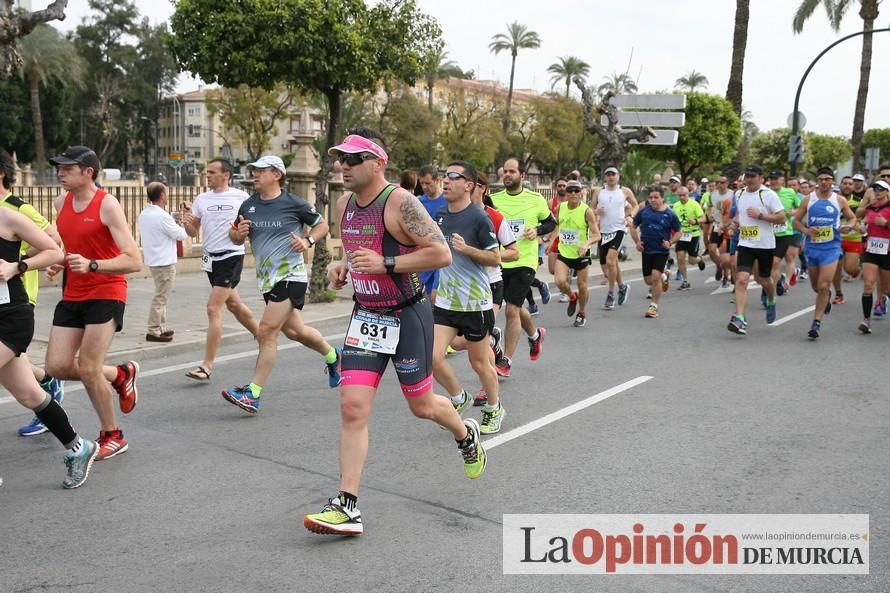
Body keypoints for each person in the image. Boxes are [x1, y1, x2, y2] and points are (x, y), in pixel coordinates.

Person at [304, 129, 485, 536]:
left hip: (407, 317)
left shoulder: (401, 203)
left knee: (421, 406)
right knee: (352, 408)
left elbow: (439, 253)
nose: (342, 166)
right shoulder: (344, 202)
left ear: (377, 162)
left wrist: (385, 264)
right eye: (340, 159)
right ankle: (347, 505)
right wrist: (345, 267)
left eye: (352, 160)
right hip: (367, 317)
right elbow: (352, 248)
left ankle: (464, 430)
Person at [221, 154, 341, 413]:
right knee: (295, 332)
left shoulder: (294, 203)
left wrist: (308, 241)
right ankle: (334, 356)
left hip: (291, 276)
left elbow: (321, 226)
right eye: (254, 170)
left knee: (266, 332)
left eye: (260, 171)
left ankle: (253, 393)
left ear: (276, 174)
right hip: (267, 281)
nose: (254, 174)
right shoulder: (249, 205)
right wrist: (237, 234)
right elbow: (233, 235)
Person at [45, 146, 143, 460]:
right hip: (74, 293)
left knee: (88, 367)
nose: (60, 174)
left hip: (106, 290)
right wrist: (59, 262)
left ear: (88, 172)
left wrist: (93, 265)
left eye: (67, 169)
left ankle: (113, 435)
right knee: (56, 366)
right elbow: (73, 246)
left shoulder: (108, 205)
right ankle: (119, 374)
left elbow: (134, 259)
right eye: (59, 168)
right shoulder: (61, 202)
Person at [0, 206, 98, 488]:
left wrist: (17, 266)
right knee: (30, 394)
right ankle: (79, 448)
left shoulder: (8, 217)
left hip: (10, 318)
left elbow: (54, 250)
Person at [431, 160, 505, 434]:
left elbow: (495, 258)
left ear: (469, 185)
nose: (446, 181)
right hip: (448, 301)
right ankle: (459, 397)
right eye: (444, 175)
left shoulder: (478, 217)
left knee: (479, 362)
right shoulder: (440, 215)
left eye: (453, 176)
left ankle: (495, 408)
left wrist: (467, 249)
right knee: (432, 357)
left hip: (475, 304)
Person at [1, 147, 66, 438]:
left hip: (18, 293)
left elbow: (54, 241)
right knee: (24, 381)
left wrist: (18, 262)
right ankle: (75, 443)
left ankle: (47, 388)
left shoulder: (17, 208)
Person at [181, 158, 259, 381]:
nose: (208, 175)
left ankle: (207, 366)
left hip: (231, 256)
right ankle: (262, 335)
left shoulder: (241, 197)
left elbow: (252, 222)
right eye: (207, 172)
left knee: (213, 309)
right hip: (210, 258)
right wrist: (186, 220)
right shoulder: (202, 199)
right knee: (234, 305)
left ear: (226, 175)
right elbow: (192, 232)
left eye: (213, 172)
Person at [490, 158, 555, 377]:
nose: (507, 175)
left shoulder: (536, 199)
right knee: (515, 308)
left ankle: (506, 361)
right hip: (501, 260)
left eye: (512, 171)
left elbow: (551, 223)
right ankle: (535, 336)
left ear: (522, 176)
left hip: (525, 261)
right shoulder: (493, 199)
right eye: (504, 171)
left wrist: (537, 230)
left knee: (511, 310)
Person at [792, 166, 858, 339]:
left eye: (827, 179)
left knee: (823, 285)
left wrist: (849, 226)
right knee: (816, 286)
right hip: (813, 247)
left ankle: (816, 322)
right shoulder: (808, 199)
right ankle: (826, 297)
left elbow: (852, 217)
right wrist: (806, 232)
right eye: (821, 179)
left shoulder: (840, 200)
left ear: (832, 181)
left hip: (832, 247)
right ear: (817, 182)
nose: (824, 182)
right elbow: (795, 222)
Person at [726, 165, 786, 335]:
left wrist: (761, 216)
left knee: (764, 280)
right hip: (745, 244)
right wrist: (734, 224)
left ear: (761, 178)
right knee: (742, 279)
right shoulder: (739, 194)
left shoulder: (768, 195)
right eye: (748, 176)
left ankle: (771, 299)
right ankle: (740, 318)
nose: (750, 179)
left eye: (753, 176)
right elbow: (740, 214)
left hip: (765, 245)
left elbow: (782, 218)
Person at [138, 181, 188, 342]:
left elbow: (163, 224)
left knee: (162, 294)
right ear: (161, 196)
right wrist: (184, 222)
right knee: (161, 297)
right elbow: (180, 235)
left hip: (153, 260)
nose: (168, 195)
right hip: (165, 262)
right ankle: (153, 330)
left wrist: (173, 217)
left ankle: (161, 327)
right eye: (166, 192)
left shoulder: (145, 213)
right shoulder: (162, 216)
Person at [554, 180, 600, 326]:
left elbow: (597, 235)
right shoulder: (560, 208)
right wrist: (549, 241)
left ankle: (581, 312)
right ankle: (572, 297)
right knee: (560, 281)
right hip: (564, 252)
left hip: (581, 254)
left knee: (583, 286)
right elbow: (557, 226)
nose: (573, 193)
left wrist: (586, 243)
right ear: (565, 194)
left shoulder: (587, 211)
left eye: (576, 191)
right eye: (570, 191)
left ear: (581, 193)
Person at [590, 165, 637, 309]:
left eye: (613, 174)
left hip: (619, 229)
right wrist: (596, 211)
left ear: (618, 176)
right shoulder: (599, 192)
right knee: (611, 264)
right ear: (605, 177)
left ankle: (610, 294)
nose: (611, 177)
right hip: (603, 231)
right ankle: (622, 287)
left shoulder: (625, 191)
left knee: (610, 262)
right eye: (608, 174)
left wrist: (630, 216)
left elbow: (635, 206)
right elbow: (590, 209)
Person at [630, 187, 681, 318]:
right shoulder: (644, 212)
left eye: (656, 197)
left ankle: (654, 307)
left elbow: (679, 232)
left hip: (661, 251)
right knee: (648, 281)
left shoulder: (670, 214)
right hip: (646, 250)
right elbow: (633, 226)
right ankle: (664, 276)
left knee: (654, 277)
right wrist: (637, 242)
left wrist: (670, 242)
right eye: (651, 197)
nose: (653, 200)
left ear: (662, 198)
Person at [857, 180, 890, 333]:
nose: (877, 192)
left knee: (887, 288)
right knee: (869, 284)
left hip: (887, 252)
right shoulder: (870, 208)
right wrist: (860, 229)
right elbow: (863, 224)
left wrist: (886, 224)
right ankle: (866, 321)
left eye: (881, 189)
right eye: (875, 189)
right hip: (871, 251)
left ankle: (884, 299)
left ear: (887, 192)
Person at [766, 171, 801, 297]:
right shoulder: (764, 193)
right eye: (772, 179)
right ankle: (779, 279)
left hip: (786, 232)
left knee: (788, 257)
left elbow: (800, 208)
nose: (774, 181)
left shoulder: (790, 192)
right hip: (768, 232)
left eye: (777, 179)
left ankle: (781, 286)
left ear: (782, 180)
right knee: (769, 263)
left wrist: (794, 212)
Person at [416, 165, 447, 302]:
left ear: (437, 180)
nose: (424, 187)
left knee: (436, 296)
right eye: (422, 183)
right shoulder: (418, 203)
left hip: (444, 255)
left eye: (428, 183)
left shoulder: (447, 200)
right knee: (425, 298)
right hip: (426, 257)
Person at [670, 185, 706, 290]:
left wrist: (695, 221)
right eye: (680, 195)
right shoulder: (676, 206)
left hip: (693, 235)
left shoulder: (694, 204)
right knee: (680, 257)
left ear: (688, 194)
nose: (682, 197)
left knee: (691, 260)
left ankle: (699, 260)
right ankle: (685, 281)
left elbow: (703, 218)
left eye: (684, 195)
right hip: (681, 234)